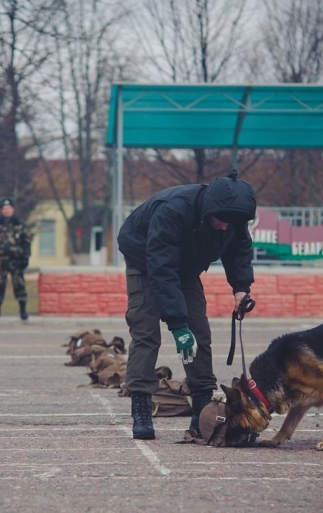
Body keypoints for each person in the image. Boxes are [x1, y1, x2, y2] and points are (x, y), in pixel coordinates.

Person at [117, 170, 257, 440]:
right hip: (145, 259)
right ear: (208, 211)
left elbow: (239, 251)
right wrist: (178, 325)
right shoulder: (173, 211)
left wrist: (241, 290)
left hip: (186, 265)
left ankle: (202, 408)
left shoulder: (233, 219)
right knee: (146, 332)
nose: (225, 227)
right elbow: (161, 268)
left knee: (199, 333)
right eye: (221, 222)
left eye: (232, 223)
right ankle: (142, 406)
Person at [0, 197, 32, 320]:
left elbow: (26, 242)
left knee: (19, 284)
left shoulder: (20, 225)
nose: (6, 211)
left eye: (9, 208)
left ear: (13, 209)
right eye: (4, 208)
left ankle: (23, 310)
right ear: (1, 210)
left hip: (16, 260)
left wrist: (25, 257)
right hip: (0, 260)